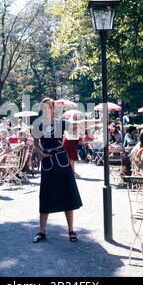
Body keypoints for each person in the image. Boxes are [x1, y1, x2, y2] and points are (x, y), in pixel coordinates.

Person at [32, 98, 82, 243]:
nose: (47, 110)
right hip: (48, 162)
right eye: (44, 107)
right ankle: (41, 232)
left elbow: (78, 125)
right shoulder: (38, 125)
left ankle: (71, 230)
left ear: (54, 109)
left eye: (49, 107)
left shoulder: (61, 123)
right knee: (45, 195)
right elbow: (35, 145)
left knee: (67, 193)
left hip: (62, 162)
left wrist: (101, 121)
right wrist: (42, 154)